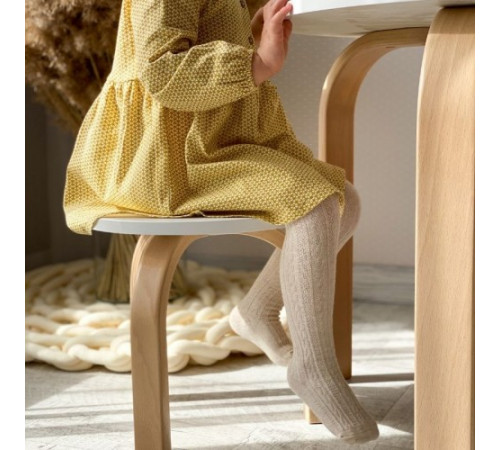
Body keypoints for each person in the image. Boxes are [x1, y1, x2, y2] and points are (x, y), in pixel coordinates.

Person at [63, 0, 379, 444]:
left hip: (213, 138)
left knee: (345, 200)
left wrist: (250, 33)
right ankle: (312, 365)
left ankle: (257, 311)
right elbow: (162, 72)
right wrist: (256, 63)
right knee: (315, 204)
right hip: (166, 159)